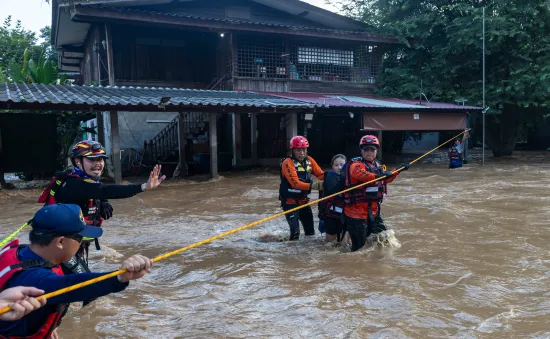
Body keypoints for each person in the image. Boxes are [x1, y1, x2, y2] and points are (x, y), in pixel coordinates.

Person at [0, 204, 153, 338]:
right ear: (61, 242)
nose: (82, 243)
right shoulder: (37, 280)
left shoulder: (20, 251)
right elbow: (73, 286)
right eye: (80, 238)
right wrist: (120, 277)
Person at [37, 140, 165, 276]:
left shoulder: (78, 178)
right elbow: (103, 190)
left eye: (101, 159)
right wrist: (143, 187)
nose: (98, 163)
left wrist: (102, 202)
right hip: (57, 246)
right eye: (92, 159)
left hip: (70, 244)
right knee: (85, 288)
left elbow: (95, 190)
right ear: (77, 161)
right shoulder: (74, 184)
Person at [342, 135, 410, 251]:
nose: (369, 152)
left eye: (372, 149)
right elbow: (359, 174)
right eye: (366, 149)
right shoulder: (356, 165)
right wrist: (378, 176)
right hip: (356, 214)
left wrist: (398, 170)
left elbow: (386, 178)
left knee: (384, 238)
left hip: (373, 212)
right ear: (361, 151)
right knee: (359, 249)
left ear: (376, 151)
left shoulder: (377, 165)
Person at [279, 136, 325, 241]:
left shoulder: (310, 161)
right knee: (295, 233)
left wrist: (334, 177)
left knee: (310, 232)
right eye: (298, 150)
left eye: (304, 150)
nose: (302, 153)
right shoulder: (287, 163)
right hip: (290, 202)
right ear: (293, 150)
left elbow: (321, 175)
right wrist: (314, 186)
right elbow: (295, 183)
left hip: (304, 201)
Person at [318, 154, 347, 243]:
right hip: (331, 215)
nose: (339, 167)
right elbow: (332, 189)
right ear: (332, 167)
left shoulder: (350, 178)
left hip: (345, 215)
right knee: (330, 244)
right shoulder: (329, 176)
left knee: (344, 244)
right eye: (336, 165)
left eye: (342, 165)